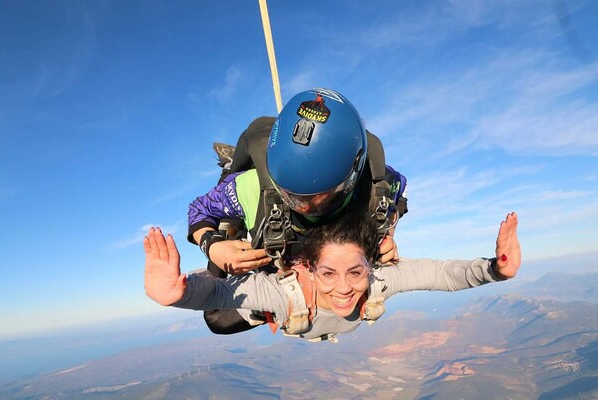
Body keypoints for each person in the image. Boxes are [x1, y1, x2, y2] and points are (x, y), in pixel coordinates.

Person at [188, 88, 408, 334]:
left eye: (318, 198)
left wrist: (387, 231)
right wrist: (212, 245)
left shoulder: (379, 186)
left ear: (352, 178)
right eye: (291, 195)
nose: (302, 206)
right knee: (218, 319)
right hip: (262, 208)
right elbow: (199, 210)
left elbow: (401, 196)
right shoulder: (250, 185)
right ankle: (231, 167)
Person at [144, 210, 520, 342]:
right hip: (275, 295)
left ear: (369, 267)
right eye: (329, 274)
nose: (345, 288)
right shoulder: (283, 294)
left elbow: (440, 275)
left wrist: (494, 269)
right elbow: (216, 296)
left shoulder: (377, 283)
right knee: (218, 323)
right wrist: (180, 294)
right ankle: (234, 233)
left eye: (356, 272)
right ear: (308, 269)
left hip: (294, 306)